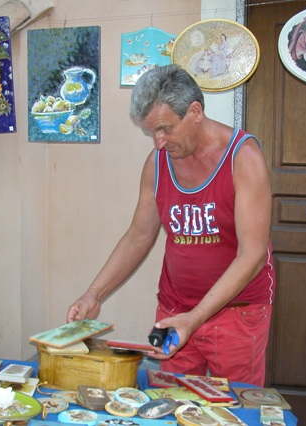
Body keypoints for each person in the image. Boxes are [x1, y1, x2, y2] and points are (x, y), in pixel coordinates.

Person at [66, 64, 276, 387]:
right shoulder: (157, 164)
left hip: (237, 312)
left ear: (195, 112)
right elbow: (138, 236)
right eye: (151, 132)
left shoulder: (243, 158)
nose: (158, 142)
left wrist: (196, 318)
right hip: (175, 310)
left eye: (165, 129)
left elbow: (253, 256)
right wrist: (94, 293)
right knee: (169, 400)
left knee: (234, 406)